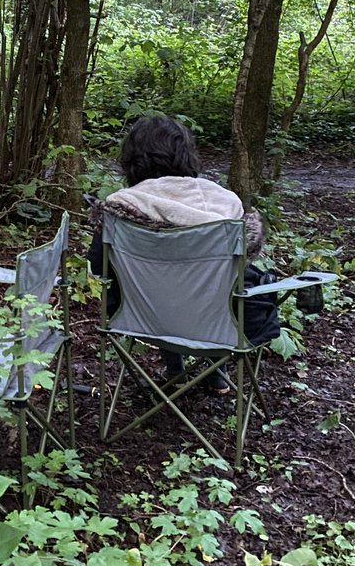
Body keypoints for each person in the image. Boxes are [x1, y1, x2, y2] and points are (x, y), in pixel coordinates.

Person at [88, 115, 280, 394]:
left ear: (132, 159)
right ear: (187, 155)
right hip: (220, 326)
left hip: (142, 319)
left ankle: (176, 371)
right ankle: (218, 374)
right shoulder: (224, 202)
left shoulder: (121, 207)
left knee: (156, 284)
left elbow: (98, 265)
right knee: (224, 284)